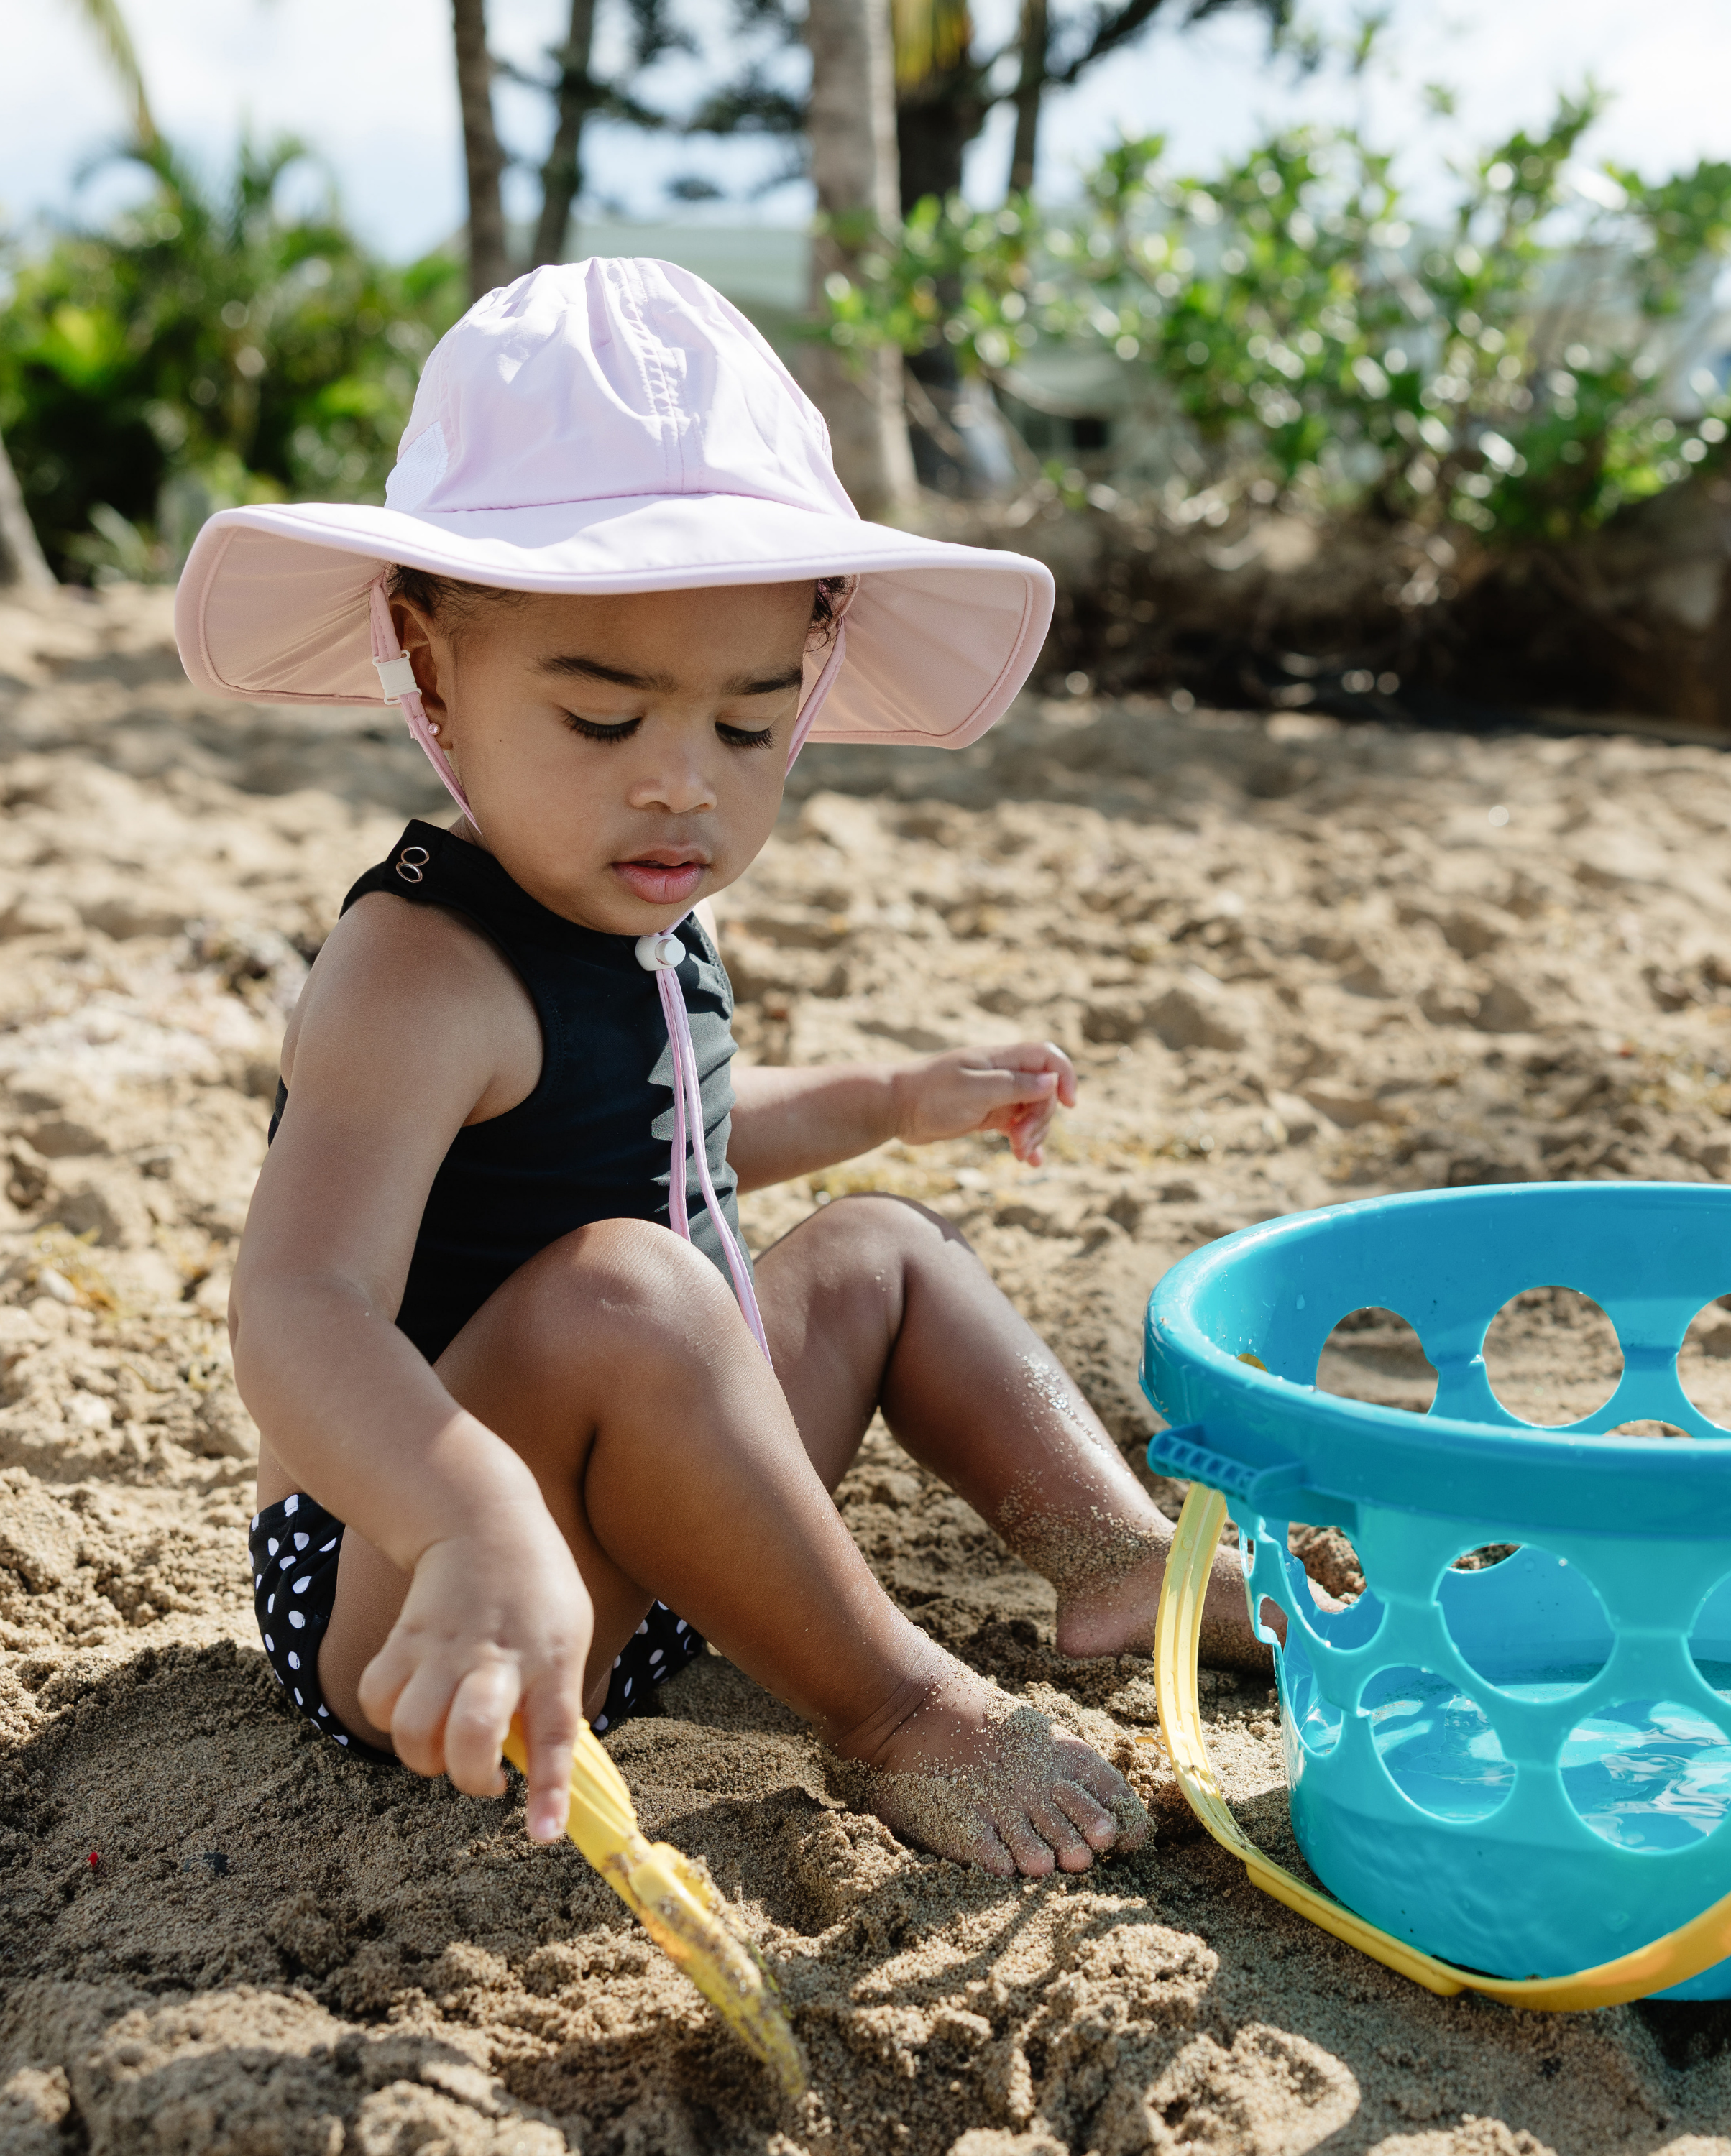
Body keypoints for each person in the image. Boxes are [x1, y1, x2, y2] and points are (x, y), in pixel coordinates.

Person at [174, 259, 1259, 1882]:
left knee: (887, 1249)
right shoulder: (415, 971)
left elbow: (670, 1138)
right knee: (632, 1291)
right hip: (431, 1606)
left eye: (751, 728)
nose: (681, 787)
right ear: (429, 664)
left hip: (669, 1548)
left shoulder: (642, 906)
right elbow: (298, 1308)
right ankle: (897, 1709)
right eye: (602, 721)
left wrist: (889, 1098)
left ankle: (1118, 1556)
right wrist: (466, 1518)